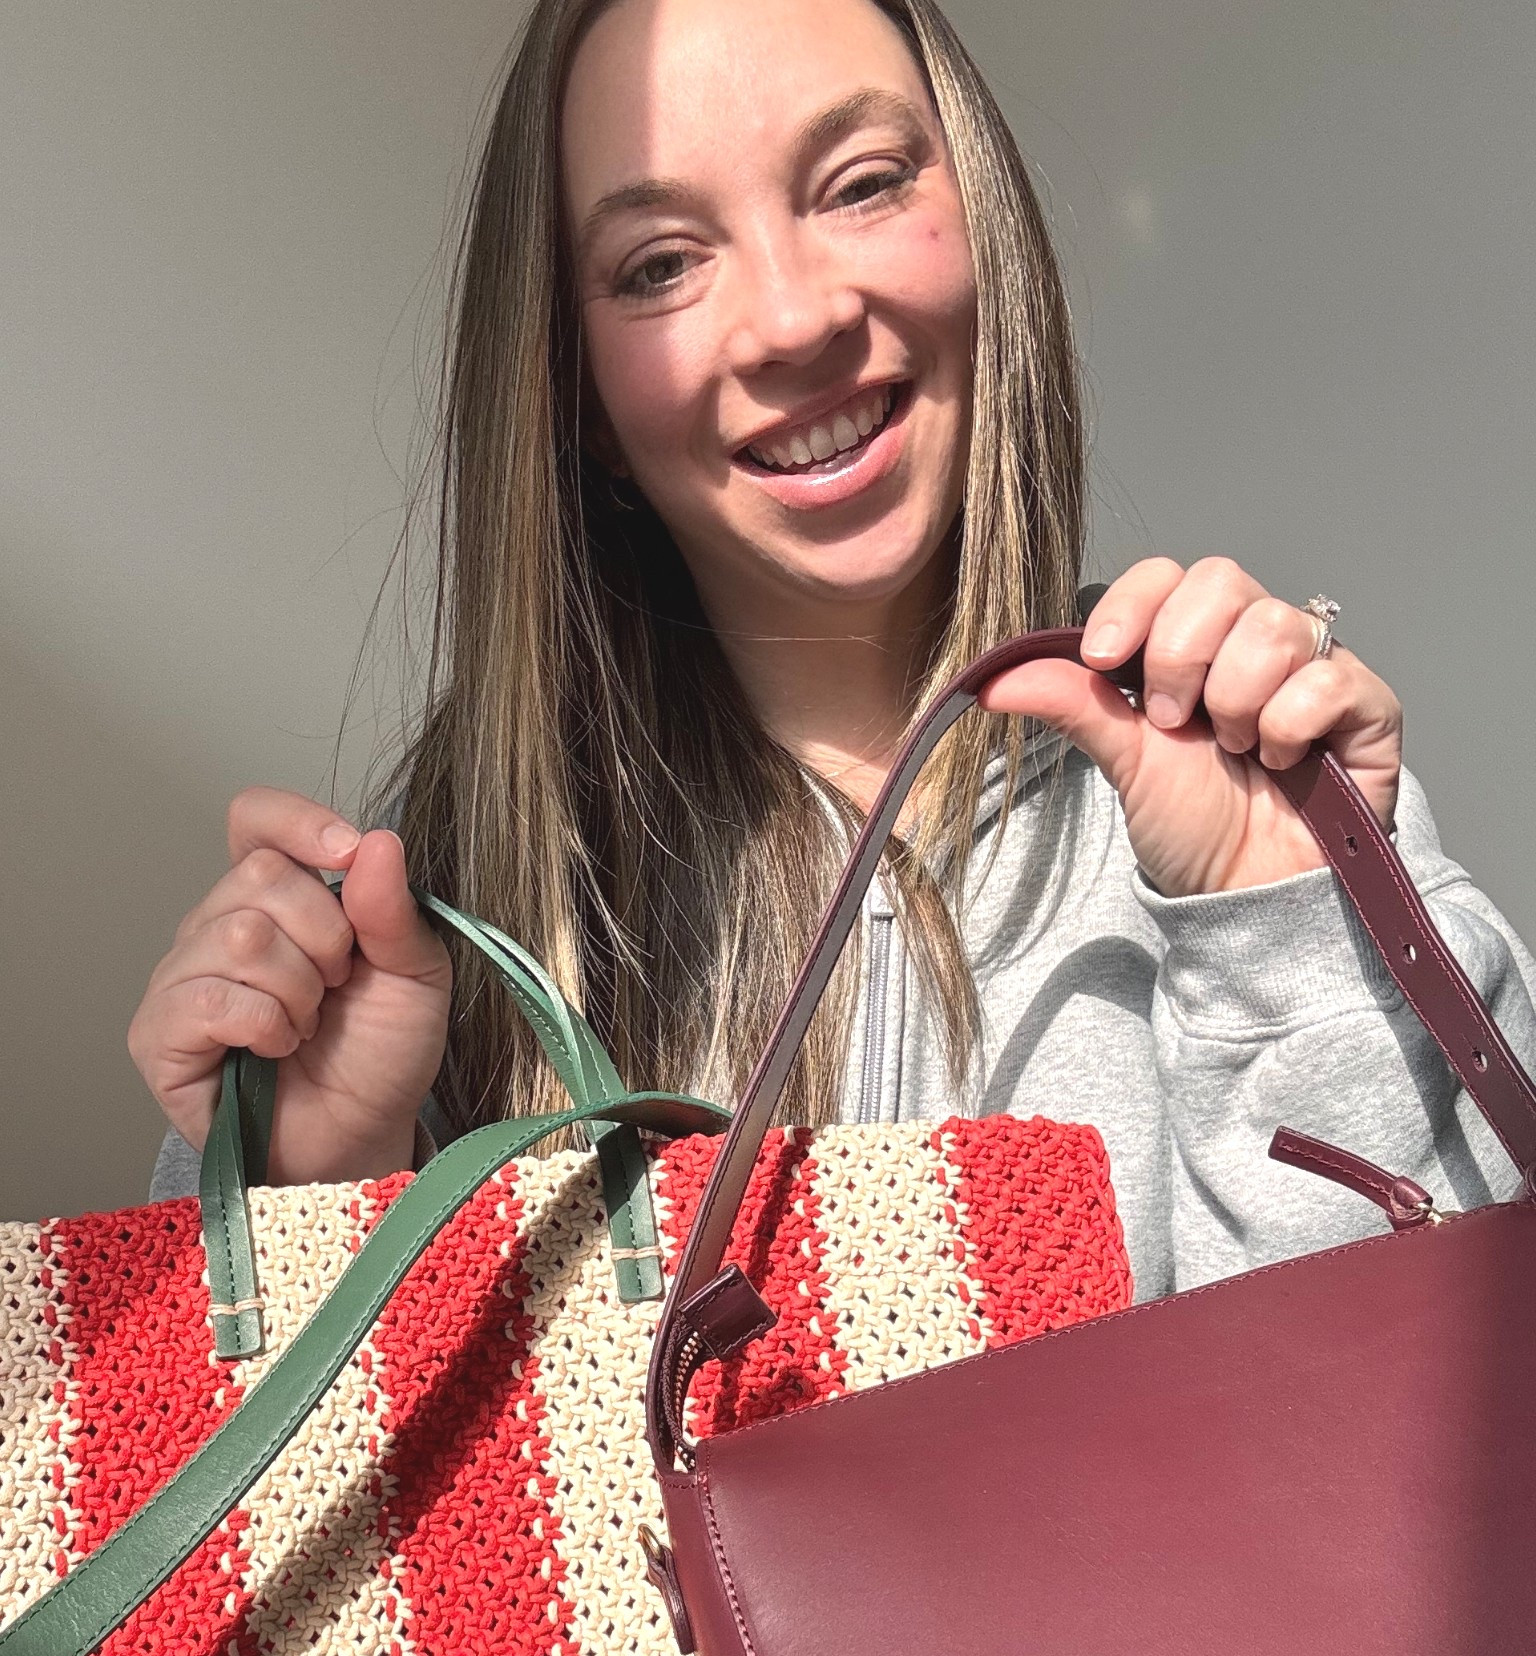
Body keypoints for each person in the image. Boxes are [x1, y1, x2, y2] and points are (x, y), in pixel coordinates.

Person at [130, 0, 1536, 1299]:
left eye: (862, 184)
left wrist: (1284, 929)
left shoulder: (1240, 773)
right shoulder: (446, 902)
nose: (797, 319)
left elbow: (1443, 1468)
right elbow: (305, 1556)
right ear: (581, 407)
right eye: (661, 264)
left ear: (986, 226)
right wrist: (324, 1196)